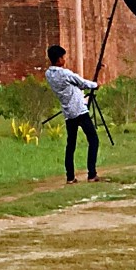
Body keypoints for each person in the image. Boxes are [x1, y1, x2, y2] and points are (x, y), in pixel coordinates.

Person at [44, 44, 100, 184]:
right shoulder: (64, 73)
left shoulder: (49, 75)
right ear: (58, 59)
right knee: (93, 140)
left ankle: (70, 176)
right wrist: (95, 85)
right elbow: (81, 83)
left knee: (71, 144)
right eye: (63, 57)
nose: (64, 60)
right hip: (79, 110)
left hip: (68, 112)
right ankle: (92, 174)